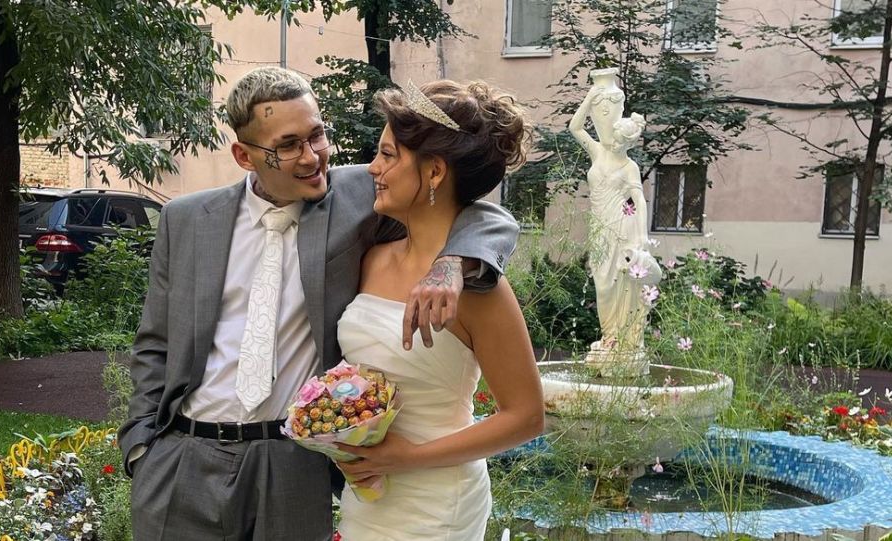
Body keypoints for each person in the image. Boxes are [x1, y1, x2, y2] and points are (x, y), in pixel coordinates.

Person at [117, 67, 519, 541]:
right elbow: (155, 343)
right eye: (288, 145)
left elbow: (476, 208)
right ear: (244, 156)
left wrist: (452, 262)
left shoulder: (358, 193)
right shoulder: (185, 220)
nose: (312, 157)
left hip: (292, 466)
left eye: (317, 136)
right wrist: (142, 449)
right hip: (184, 458)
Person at [333, 80, 545, 540]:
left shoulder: (478, 288)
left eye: (387, 155)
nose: (372, 168)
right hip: (368, 495)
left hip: (438, 501)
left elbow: (527, 416)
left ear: (433, 173)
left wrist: (407, 458)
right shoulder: (372, 256)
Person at [568, 74, 660, 358]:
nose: (614, 143)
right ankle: (610, 336)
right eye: (614, 139)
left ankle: (622, 341)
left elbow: (639, 201)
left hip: (622, 228)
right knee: (602, 285)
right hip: (600, 228)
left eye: (620, 142)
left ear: (628, 144)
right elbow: (575, 127)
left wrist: (642, 237)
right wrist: (590, 96)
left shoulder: (630, 167)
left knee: (621, 284)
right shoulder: (598, 152)